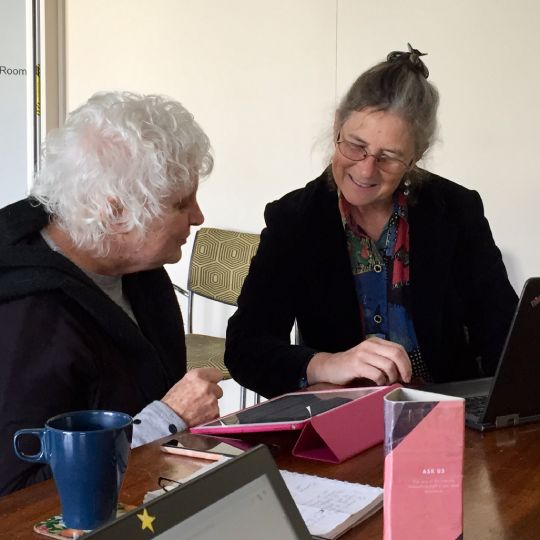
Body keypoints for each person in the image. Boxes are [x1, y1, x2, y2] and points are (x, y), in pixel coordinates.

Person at [225, 44, 518, 399]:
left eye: (389, 157)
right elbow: (246, 348)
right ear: (337, 125)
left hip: (449, 414)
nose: (365, 170)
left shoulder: (456, 210)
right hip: (342, 424)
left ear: (416, 156)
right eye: (355, 145)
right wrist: (326, 364)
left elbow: (504, 336)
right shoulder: (294, 220)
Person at [0, 91, 223, 496]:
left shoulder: (139, 271)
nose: (198, 217)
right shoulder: (28, 317)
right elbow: (18, 491)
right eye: (179, 204)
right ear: (115, 212)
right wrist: (168, 419)